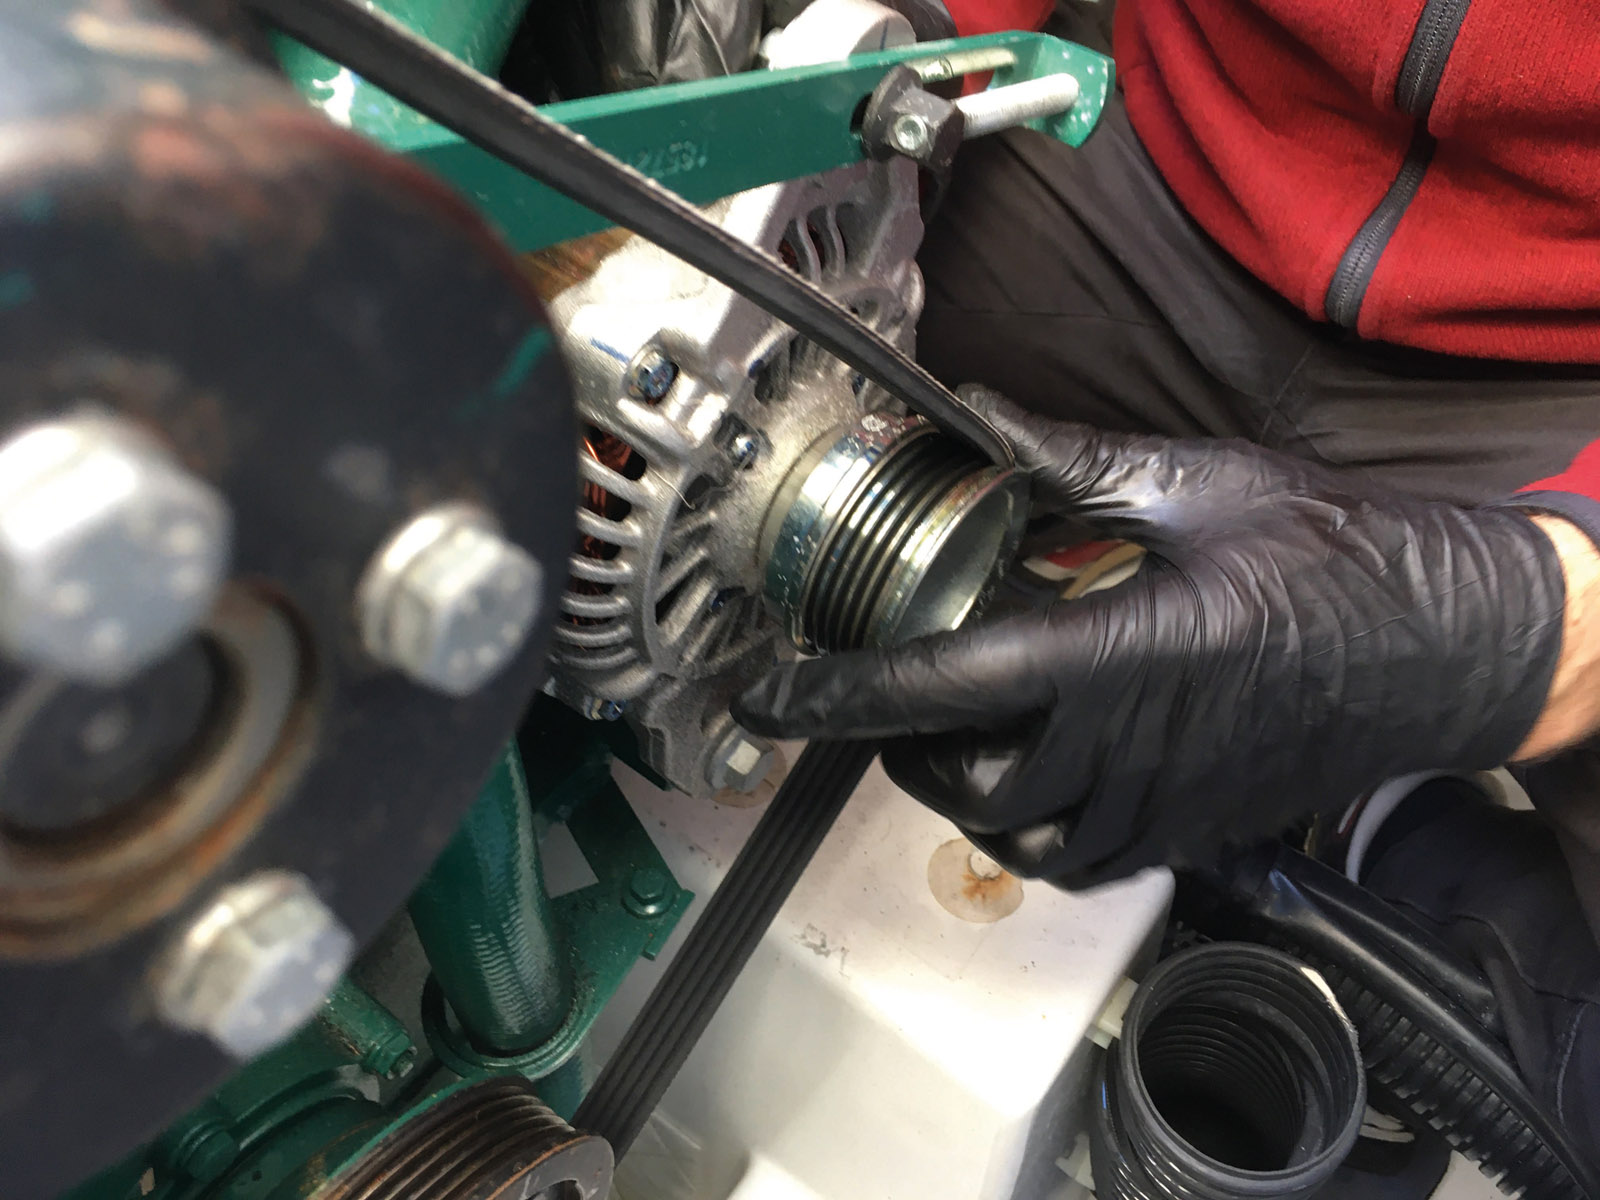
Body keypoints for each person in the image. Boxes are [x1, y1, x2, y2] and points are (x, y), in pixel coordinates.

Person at [734, 0, 1600, 1162]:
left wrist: (1516, 620)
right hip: (1152, 175)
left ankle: (1387, 836)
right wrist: (907, 40)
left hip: (1550, 377)